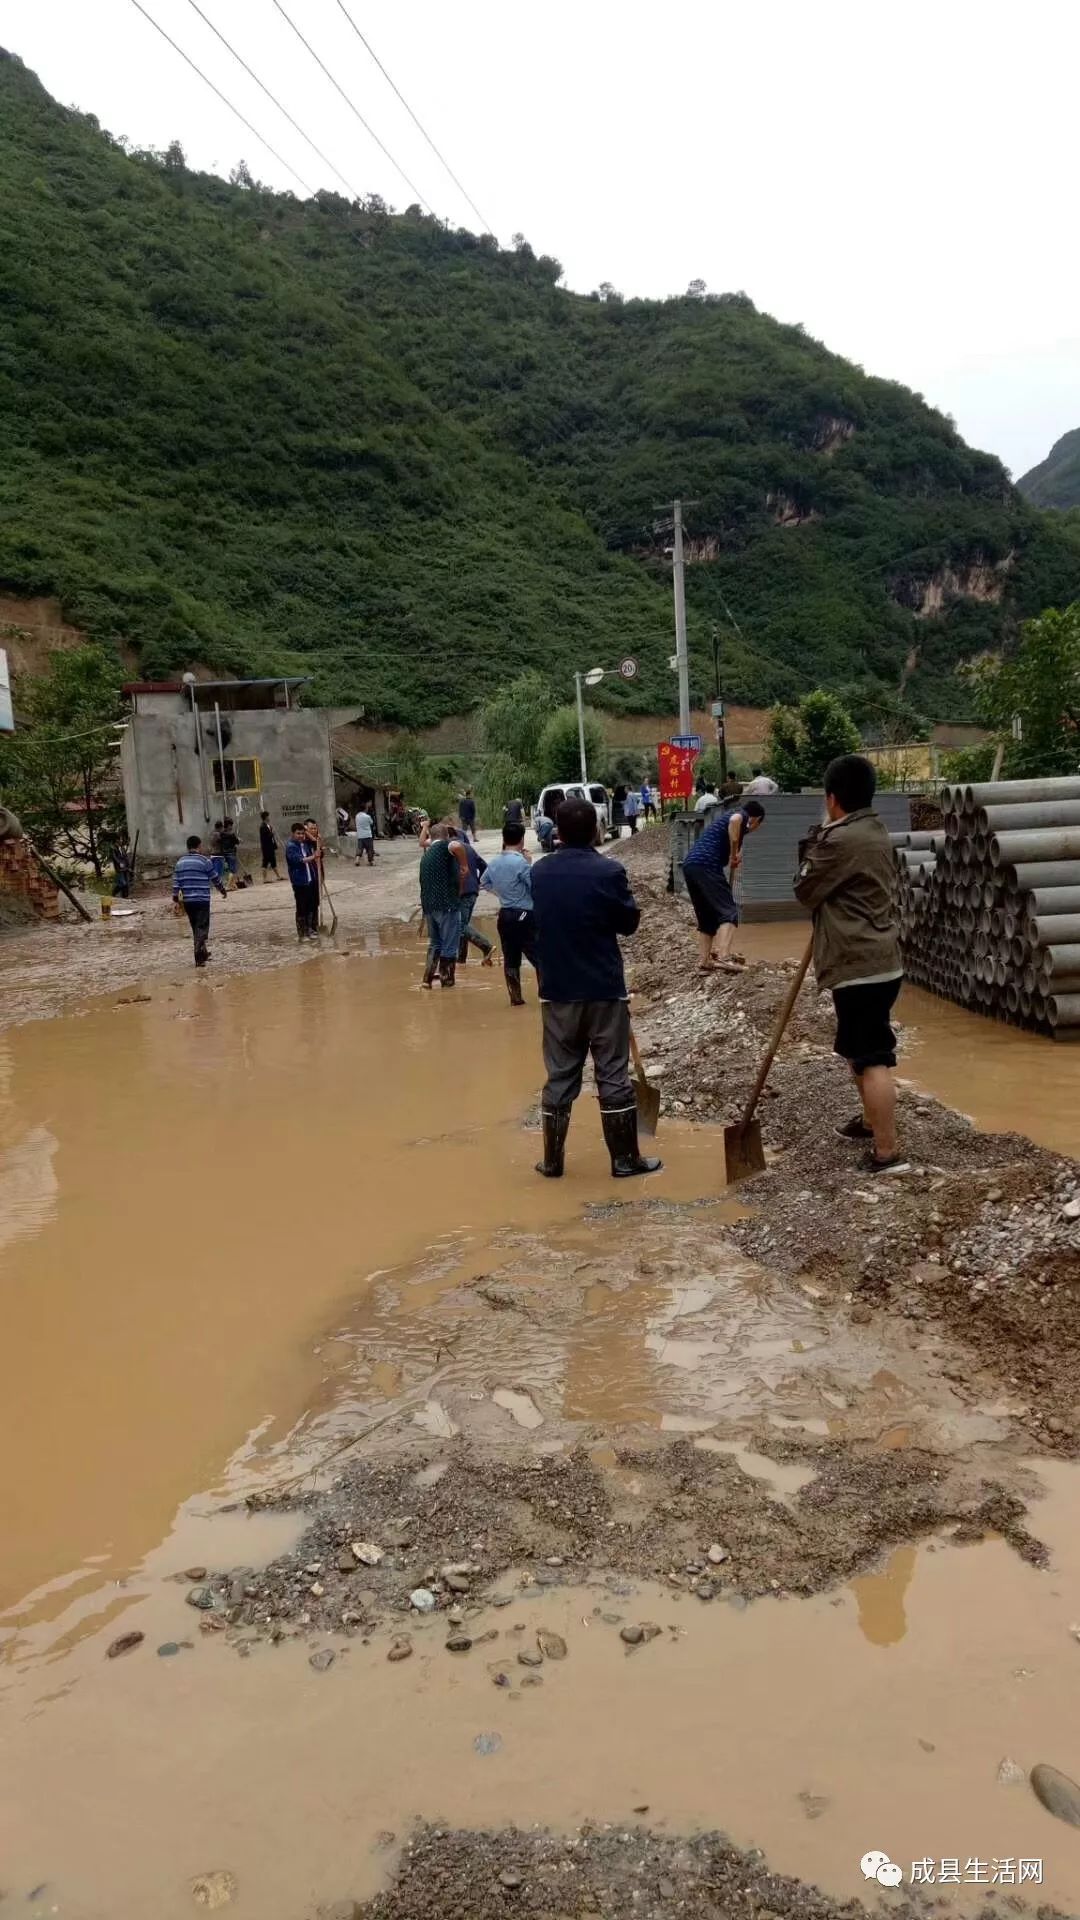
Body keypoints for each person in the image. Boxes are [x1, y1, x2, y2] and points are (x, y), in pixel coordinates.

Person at [530, 797, 662, 1181]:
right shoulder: (608, 872)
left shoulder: (540, 872)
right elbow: (628, 923)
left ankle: (552, 1162)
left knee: (560, 1076)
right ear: (595, 831)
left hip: (557, 991)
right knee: (612, 1074)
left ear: (557, 832)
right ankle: (624, 1160)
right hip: (603, 988)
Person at [793, 753, 908, 1176]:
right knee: (857, 1050)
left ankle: (887, 1152)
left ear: (832, 798)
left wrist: (817, 839)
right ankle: (869, 1121)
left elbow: (804, 890)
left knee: (872, 1055)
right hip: (881, 959)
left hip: (859, 964)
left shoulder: (840, 841)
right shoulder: (873, 828)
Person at [682, 798, 765, 972]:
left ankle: (704, 961)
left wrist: (734, 856)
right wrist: (732, 854)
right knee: (729, 912)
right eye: (758, 824)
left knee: (707, 919)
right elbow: (735, 821)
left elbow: (733, 837)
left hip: (692, 865)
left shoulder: (730, 823)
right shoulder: (740, 815)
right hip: (706, 866)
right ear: (756, 819)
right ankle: (724, 957)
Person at [480, 820, 536, 1005]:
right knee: (539, 956)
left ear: (504, 838)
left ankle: (515, 998)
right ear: (522, 840)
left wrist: (500, 893)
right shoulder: (521, 862)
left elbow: (484, 881)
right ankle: (547, 995)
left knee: (511, 959)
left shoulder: (495, 862)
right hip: (524, 914)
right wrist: (529, 863)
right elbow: (534, 887)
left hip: (505, 914)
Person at [419, 822, 468, 988]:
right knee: (449, 945)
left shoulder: (430, 851)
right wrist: (464, 866)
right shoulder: (446, 847)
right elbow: (456, 844)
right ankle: (447, 981)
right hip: (446, 904)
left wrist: (424, 827)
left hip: (429, 906)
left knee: (435, 943)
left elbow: (422, 841)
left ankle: (427, 979)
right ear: (446, 835)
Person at [172, 833, 227, 967]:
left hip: (188, 901)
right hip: (202, 900)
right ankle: (198, 954)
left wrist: (175, 897)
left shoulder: (180, 862)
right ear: (199, 846)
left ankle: (203, 952)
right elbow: (215, 878)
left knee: (195, 926)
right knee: (202, 927)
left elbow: (176, 882)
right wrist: (223, 890)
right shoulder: (204, 861)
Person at [449, 826, 495, 966]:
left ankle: (486, 946)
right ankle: (461, 959)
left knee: (459, 925)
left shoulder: (450, 848)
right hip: (473, 891)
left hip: (461, 891)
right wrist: (478, 882)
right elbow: (485, 867)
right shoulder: (469, 848)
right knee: (464, 925)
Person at [286, 822, 321, 940]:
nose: (300, 836)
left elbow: (316, 840)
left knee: (311, 905)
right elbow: (299, 860)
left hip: (310, 879)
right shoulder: (291, 846)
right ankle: (302, 933)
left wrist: (306, 831)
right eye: (298, 833)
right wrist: (313, 857)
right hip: (299, 881)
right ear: (293, 834)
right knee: (302, 907)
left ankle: (310, 930)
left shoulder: (305, 844)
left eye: (302, 833)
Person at [259, 810, 282, 882]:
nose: (269, 818)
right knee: (266, 862)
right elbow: (265, 837)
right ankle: (265, 879)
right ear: (266, 817)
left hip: (270, 846)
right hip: (266, 847)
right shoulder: (262, 827)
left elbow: (271, 836)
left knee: (272, 861)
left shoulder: (268, 825)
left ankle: (278, 876)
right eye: (268, 816)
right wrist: (272, 833)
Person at [218, 816, 240, 887]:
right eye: (231, 825)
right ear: (229, 825)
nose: (232, 827)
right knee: (232, 870)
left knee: (228, 870)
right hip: (231, 853)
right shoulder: (231, 834)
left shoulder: (221, 834)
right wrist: (239, 840)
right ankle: (228, 886)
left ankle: (233, 885)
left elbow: (220, 842)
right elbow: (236, 842)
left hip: (224, 854)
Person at [110, 832, 132, 899]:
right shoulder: (113, 849)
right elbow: (116, 859)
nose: (121, 840)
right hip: (119, 869)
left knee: (125, 883)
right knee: (123, 883)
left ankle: (124, 897)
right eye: (120, 839)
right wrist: (121, 865)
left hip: (125, 867)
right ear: (117, 840)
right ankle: (113, 894)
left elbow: (125, 857)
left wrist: (128, 866)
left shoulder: (122, 848)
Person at [354, 803, 375, 867]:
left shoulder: (357, 816)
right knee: (369, 849)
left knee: (360, 848)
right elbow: (371, 823)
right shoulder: (367, 816)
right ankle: (371, 861)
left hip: (360, 835)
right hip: (368, 835)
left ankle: (357, 860)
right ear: (365, 809)